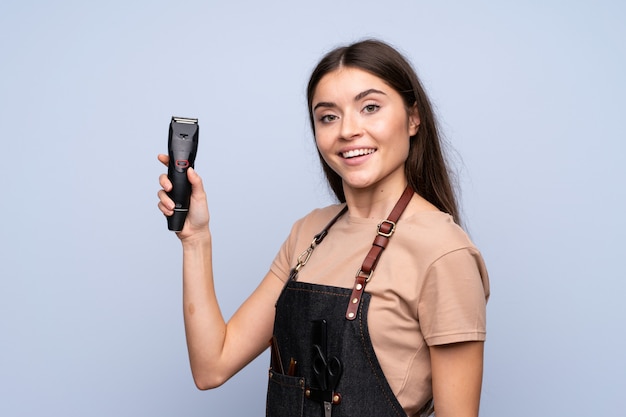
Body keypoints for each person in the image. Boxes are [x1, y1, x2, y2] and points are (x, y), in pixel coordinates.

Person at [157, 39, 490, 417]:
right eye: (328, 116)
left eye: (370, 108)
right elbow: (211, 366)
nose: (348, 130)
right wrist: (195, 239)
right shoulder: (309, 233)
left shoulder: (444, 253)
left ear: (413, 118)